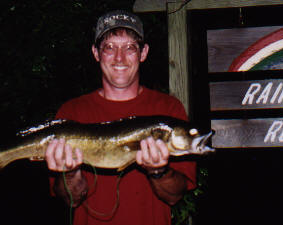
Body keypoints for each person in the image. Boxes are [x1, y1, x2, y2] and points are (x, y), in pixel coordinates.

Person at [45, 10, 196, 225]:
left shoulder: (168, 109)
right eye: (109, 48)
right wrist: (69, 174)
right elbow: (71, 200)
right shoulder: (71, 113)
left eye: (130, 48)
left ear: (143, 53)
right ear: (96, 53)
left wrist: (158, 171)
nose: (119, 58)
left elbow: (174, 196)